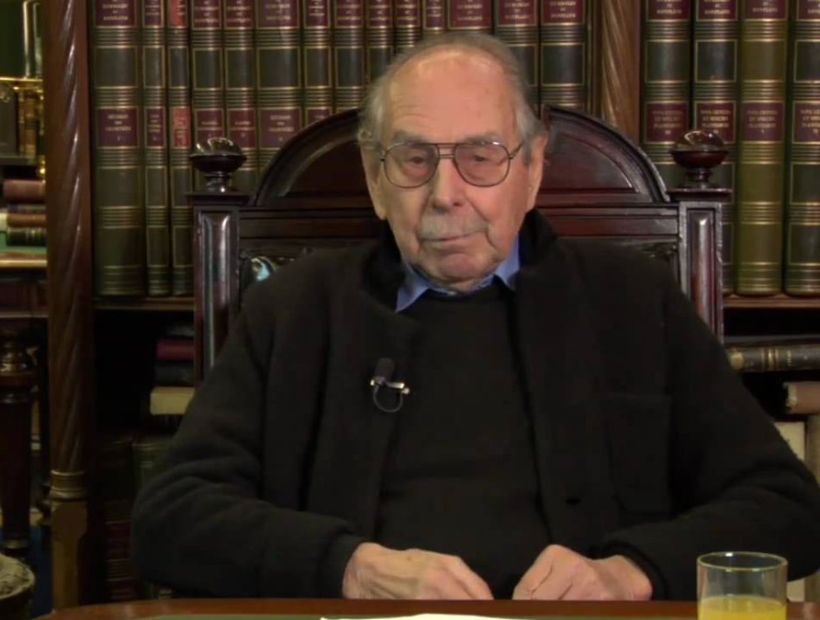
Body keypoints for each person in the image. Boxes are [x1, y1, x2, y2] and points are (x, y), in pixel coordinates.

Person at [132, 32, 820, 601]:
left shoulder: (634, 299)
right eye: (414, 158)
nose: (446, 193)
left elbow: (786, 505)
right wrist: (347, 567)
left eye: (481, 157)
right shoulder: (291, 309)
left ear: (533, 169)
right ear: (375, 178)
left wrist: (629, 572)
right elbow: (168, 520)